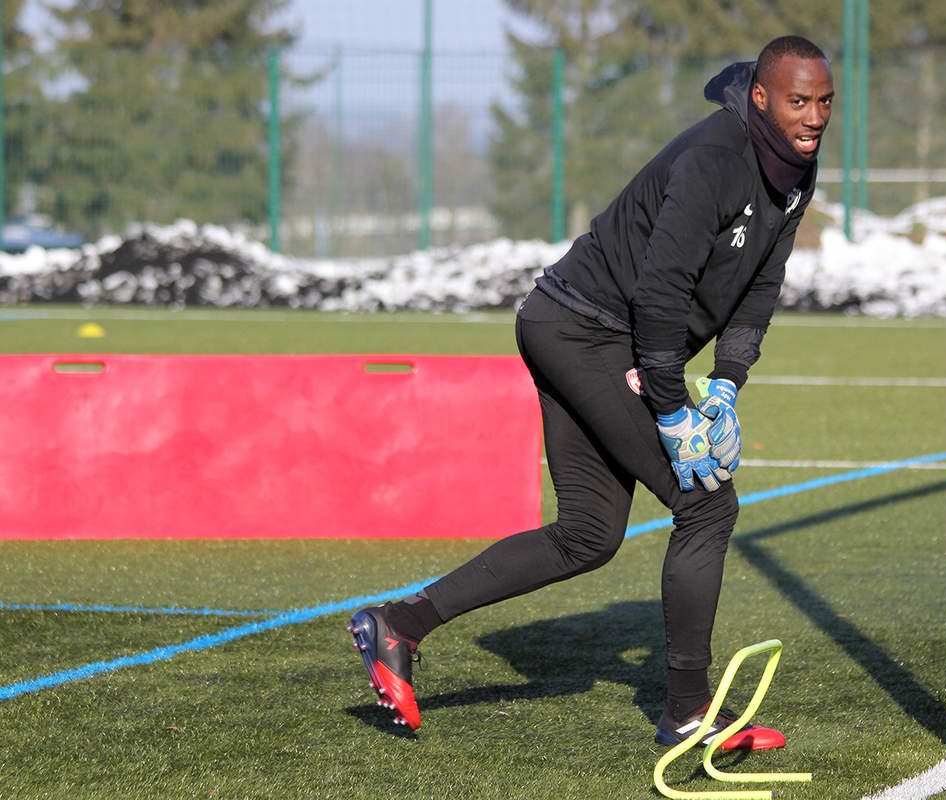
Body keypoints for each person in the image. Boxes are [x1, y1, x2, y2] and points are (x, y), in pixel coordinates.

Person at [348, 34, 834, 750]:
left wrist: (727, 384)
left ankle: (400, 624)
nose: (815, 116)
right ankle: (688, 711)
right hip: (581, 329)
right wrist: (671, 408)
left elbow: (760, 285)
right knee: (706, 503)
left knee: (589, 535)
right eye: (799, 101)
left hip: (587, 328)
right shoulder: (713, 159)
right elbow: (661, 292)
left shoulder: (795, 169)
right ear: (761, 98)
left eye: (825, 102)